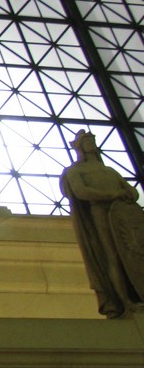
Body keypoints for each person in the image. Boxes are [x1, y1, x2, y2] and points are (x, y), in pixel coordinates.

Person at [60, 129, 144, 318]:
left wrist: (129, 194)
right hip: (100, 212)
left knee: (132, 254)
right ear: (80, 147)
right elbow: (81, 192)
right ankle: (125, 302)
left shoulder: (108, 170)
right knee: (111, 256)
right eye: (87, 141)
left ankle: (136, 295)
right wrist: (111, 195)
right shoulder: (75, 171)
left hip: (122, 213)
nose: (90, 144)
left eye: (92, 140)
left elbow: (131, 190)